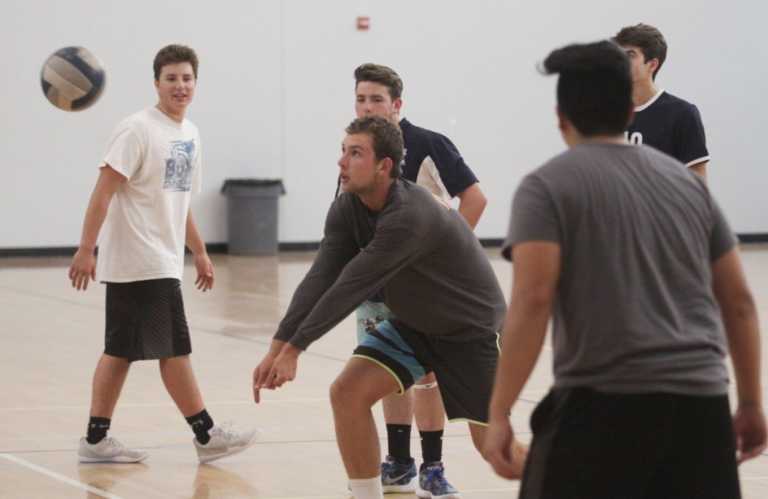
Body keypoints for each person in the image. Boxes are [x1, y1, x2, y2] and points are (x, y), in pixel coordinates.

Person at [482, 40, 766, 499]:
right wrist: (751, 401)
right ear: (629, 113)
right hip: (702, 407)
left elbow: (533, 302)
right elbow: (739, 302)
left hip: (602, 405)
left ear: (561, 117)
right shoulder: (690, 188)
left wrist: (499, 412)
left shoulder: (545, 186)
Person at [253, 116, 526, 499]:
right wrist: (278, 345)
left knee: (498, 452)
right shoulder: (347, 208)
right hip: (414, 324)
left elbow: (351, 286)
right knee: (347, 393)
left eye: (355, 153)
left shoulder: (409, 214)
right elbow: (321, 278)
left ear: (384, 166)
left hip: (471, 331)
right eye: (343, 151)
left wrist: (295, 349)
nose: (342, 162)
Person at [69, 44, 257, 465]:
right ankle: (206, 435)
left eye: (187, 78)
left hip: (162, 259)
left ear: (195, 84)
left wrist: (201, 251)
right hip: (140, 258)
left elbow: (180, 199)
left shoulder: (190, 134)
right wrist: (86, 248)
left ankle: (95, 441)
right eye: (171, 78)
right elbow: (103, 192)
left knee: (120, 352)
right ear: (156, 83)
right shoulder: (137, 129)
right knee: (173, 348)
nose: (180, 85)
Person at [348, 62, 488, 496]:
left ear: (397, 105)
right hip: (375, 286)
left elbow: (475, 198)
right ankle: (400, 462)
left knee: (427, 377)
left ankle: (432, 467)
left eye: (376, 99)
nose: (368, 106)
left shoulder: (428, 144)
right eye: (361, 98)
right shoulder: (356, 149)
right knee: (386, 373)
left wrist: (447, 254)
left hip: (423, 290)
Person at [614, 23, 710, 179]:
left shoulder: (682, 114)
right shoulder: (604, 115)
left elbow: (698, 184)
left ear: (652, 64)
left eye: (630, 54)